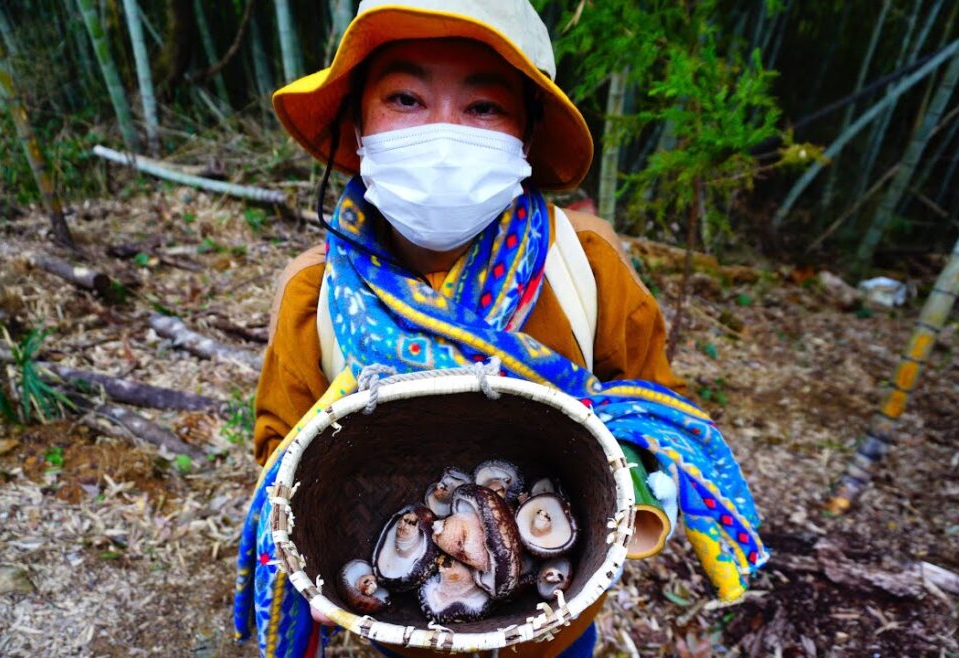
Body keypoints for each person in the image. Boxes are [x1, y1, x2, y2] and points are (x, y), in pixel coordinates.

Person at [234, 2, 766, 657]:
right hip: (403, 637)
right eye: (406, 97)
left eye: (483, 107)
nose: (444, 135)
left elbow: (652, 397)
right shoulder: (315, 296)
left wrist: (632, 468)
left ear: (527, 134)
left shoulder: (584, 265)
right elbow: (279, 449)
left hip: (556, 630)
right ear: (356, 122)